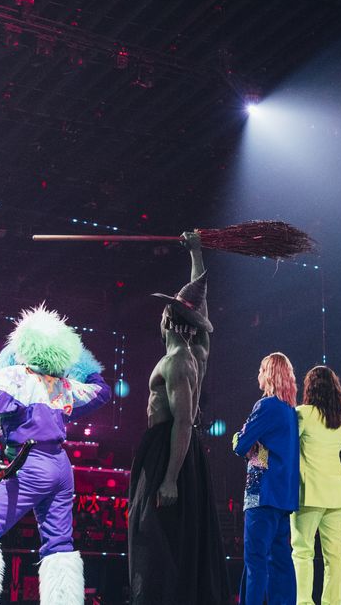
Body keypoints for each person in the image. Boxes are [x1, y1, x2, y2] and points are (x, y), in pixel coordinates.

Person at [0, 305, 112, 605]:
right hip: (61, 469)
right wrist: (85, 364)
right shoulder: (65, 386)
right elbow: (101, 391)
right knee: (58, 545)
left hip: (33, 466)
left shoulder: (17, 378)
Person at [127, 232, 230, 605]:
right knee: (171, 539)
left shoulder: (177, 362)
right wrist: (196, 254)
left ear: (168, 319)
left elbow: (184, 421)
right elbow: (202, 311)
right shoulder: (198, 351)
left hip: (170, 450)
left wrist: (169, 478)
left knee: (154, 539)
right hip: (176, 451)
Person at [232, 353, 301, 604]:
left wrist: (240, 438)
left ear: (269, 374)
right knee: (281, 562)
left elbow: (241, 445)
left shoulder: (266, 405)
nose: (258, 375)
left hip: (261, 494)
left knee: (255, 561)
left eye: (261, 370)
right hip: (283, 497)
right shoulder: (289, 411)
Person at [292, 365, 341, 605]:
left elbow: (288, 446)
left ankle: (303, 603)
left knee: (302, 552)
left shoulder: (302, 413)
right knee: (334, 557)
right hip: (339, 494)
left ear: (310, 387)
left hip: (309, 492)